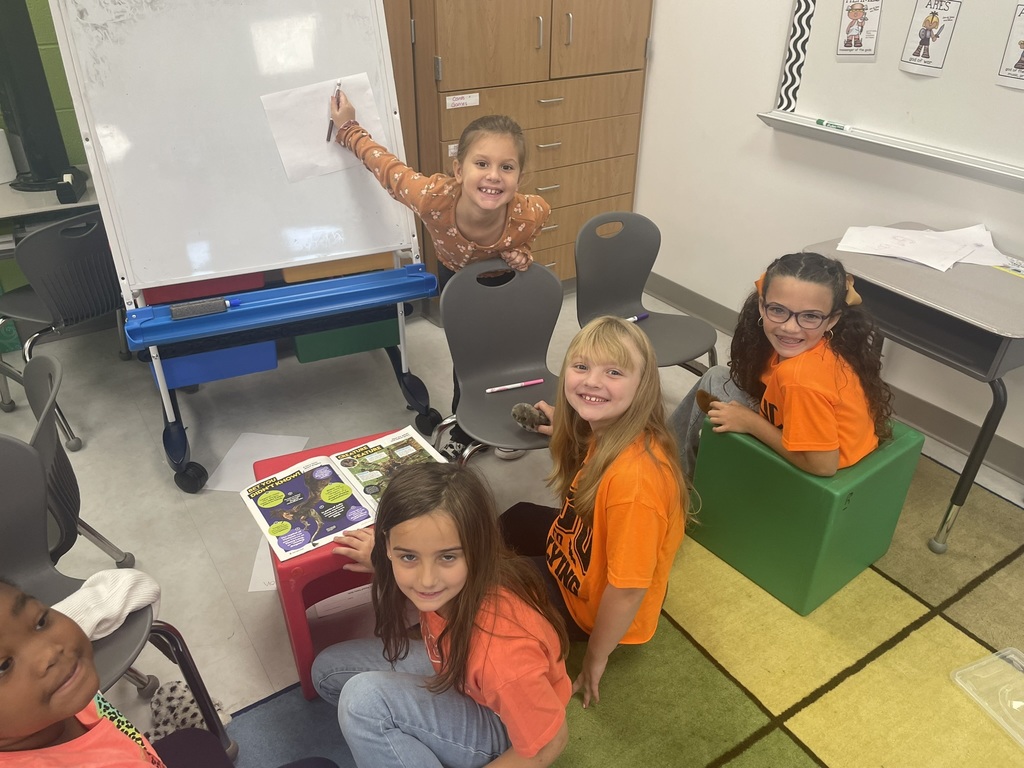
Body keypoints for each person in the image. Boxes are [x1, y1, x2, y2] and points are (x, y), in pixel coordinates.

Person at [328, 89, 551, 458]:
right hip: (458, 283)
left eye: (506, 167)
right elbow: (386, 166)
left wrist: (522, 250)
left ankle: (510, 417)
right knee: (469, 361)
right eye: (482, 164)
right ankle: (465, 424)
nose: (493, 177)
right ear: (458, 170)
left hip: (509, 287)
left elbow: (542, 215)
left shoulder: (530, 212)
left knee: (510, 356)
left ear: (519, 177)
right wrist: (348, 127)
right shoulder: (432, 197)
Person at [311, 463, 571, 768]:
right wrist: (382, 561)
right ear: (388, 547)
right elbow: (417, 551)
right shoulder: (453, 579)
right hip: (462, 674)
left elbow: (550, 744)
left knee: (363, 701)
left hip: (501, 727)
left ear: (477, 550)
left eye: (447, 556)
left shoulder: (503, 658)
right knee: (327, 671)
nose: (426, 580)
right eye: (409, 556)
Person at [498, 316, 687, 708]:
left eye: (613, 372)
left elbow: (629, 588)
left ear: (643, 386)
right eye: (581, 367)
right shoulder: (610, 431)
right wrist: (567, 423)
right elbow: (588, 431)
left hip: (587, 605)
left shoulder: (636, 484)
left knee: (493, 582)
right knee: (514, 518)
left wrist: (596, 659)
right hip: (584, 553)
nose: (591, 381)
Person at [0, 577, 336, 768]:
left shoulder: (61, 692)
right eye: (3, 666)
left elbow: (132, 585)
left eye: (41, 620)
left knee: (194, 742)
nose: (50, 651)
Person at [671, 251, 893, 479]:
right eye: (778, 310)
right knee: (717, 377)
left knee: (715, 384)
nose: (790, 327)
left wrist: (751, 422)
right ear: (761, 305)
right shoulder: (820, 346)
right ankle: (665, 452)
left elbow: (824, 466)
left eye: (809, 316)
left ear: (832, 319)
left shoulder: (799, 378)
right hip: (827, 440)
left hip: (816, 466)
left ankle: (669, 472)